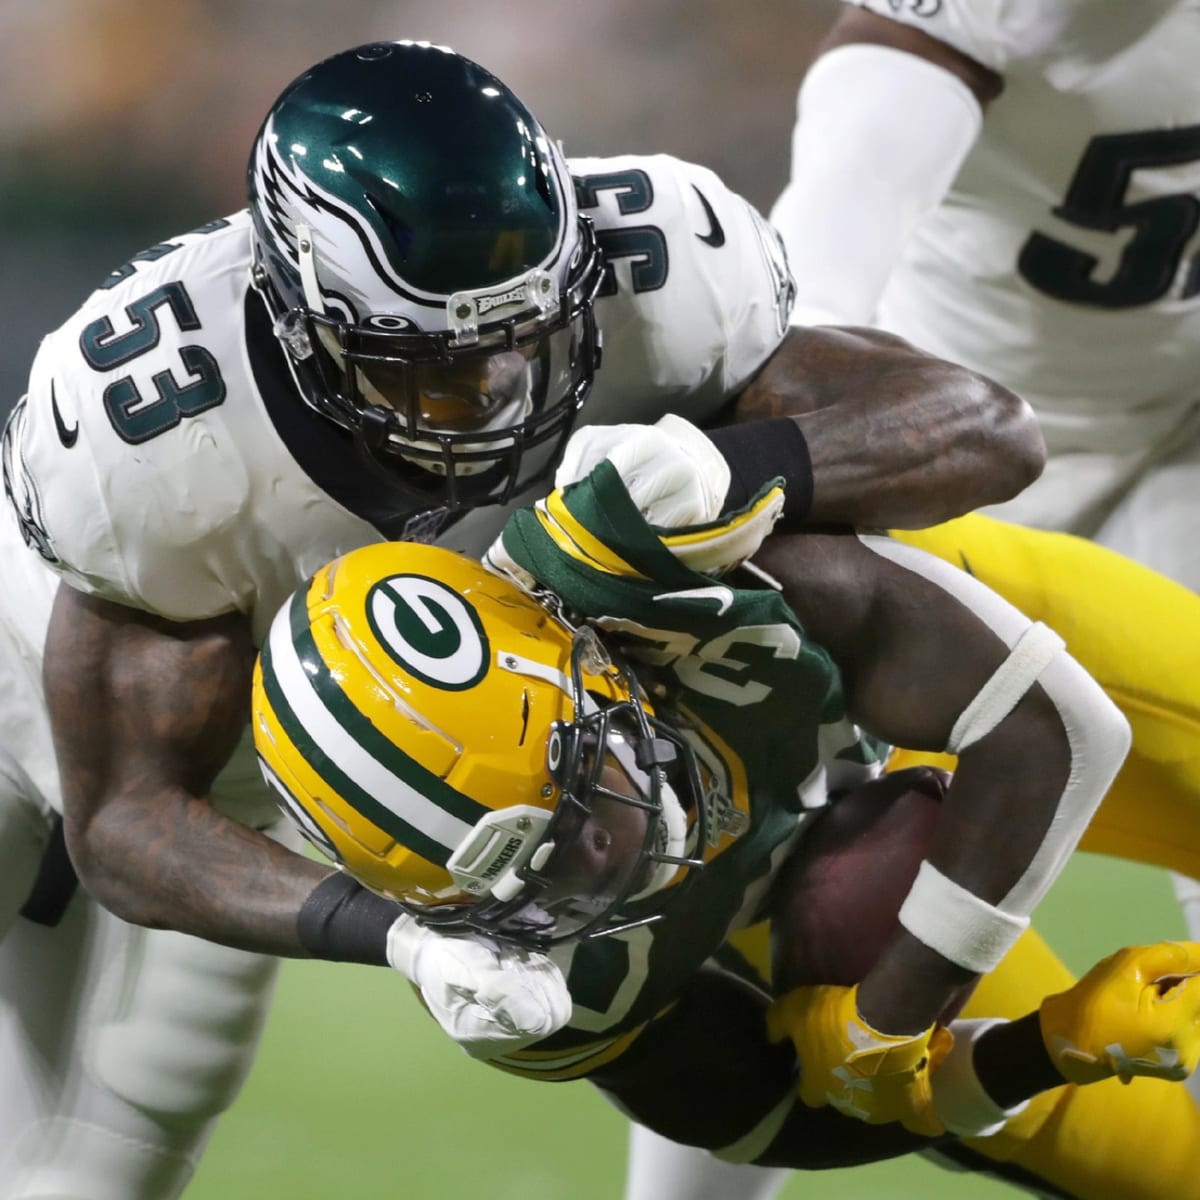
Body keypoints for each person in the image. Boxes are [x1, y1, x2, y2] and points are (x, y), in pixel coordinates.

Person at [0, 37, 1042, 1199]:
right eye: (433, 369)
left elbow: (988, 427)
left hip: (450, 724)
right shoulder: (162, 444)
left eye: (528, 341)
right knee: (99, 1103)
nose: (500, 397)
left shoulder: (660, 266)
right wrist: (394, 934)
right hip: (69, 686)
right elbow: (127, 819)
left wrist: (729, 466)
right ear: (304, 328)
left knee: (140, 1110)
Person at [250, 457, 1200, 1197]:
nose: (591, 856)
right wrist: (1053, 1043)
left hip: (972, 679)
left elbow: (1046, 731)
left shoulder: (663, 574)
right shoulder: (515, 989)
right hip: (810, 909)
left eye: (576, 792)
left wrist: (887, 1020)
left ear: (583, 651)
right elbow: (780, 1113)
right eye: (525, 885)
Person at [630, 3, 1200, 1196]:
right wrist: (808, 463)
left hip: (1183, 439)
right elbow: (823, 256)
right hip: (956, 451)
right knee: (775, 863)